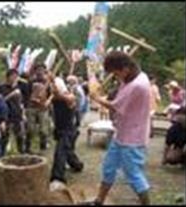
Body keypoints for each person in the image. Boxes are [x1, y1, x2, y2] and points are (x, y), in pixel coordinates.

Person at [84, 51, 151, 205]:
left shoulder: (137, 85)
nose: (116, 77)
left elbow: (115, 106)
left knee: (134, 174)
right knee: (109, 167)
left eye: (116, 73)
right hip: (122, 134)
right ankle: (99, 201)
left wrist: (96, 98)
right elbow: (118, 95)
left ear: (125, 68)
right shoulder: (133, 77)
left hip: (133, 138)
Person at [48, 74, 84, 192]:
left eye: (55, 87)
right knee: (67, 151)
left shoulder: (71, 97)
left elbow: (63, 97)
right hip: (59, 129)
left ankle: (58, 178)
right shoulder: (54, 98)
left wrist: (52, 80)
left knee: (60, 152)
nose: (52, 89)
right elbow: (44, 104)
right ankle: (77, 165)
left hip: (69, 130)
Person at [0, 69, 28, 154]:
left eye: (16, 76)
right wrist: (12, 94)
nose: (15, 78)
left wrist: (23, 113)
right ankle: (1, 154)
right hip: (6, 115)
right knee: (5, 136)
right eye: (13, 76)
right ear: (8, 77)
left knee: (20, 135)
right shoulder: (2, 87)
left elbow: (21, 102)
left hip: (17, 114)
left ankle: (22, 153)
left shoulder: (18, 87)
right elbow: (1, 101)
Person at [25, 64, 52, 153]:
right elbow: (26, 93)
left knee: (43, 130)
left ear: (44, 71)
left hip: (43, 108)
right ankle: (27, 147)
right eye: (38, 69)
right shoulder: (30, 81)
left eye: (42, 69)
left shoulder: (47, 82)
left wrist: (48, 102)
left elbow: (51, 94)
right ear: (35, 71)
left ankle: (42, 147)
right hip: (31, 108)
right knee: (30, 129)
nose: (40, 71)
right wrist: (29, 101)